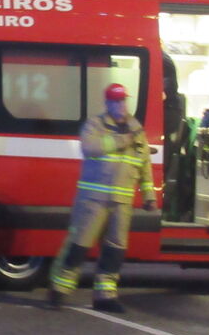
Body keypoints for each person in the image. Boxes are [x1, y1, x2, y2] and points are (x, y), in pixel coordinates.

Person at [48, 83, 156, 314]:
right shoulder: (95, 125)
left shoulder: (137, 130)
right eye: (116, 101)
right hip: (93, 200)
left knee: (114, 251)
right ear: (107, 103)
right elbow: (90, 147)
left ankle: (105, 296)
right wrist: (122, 141)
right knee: (78, 247)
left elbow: (145, 165)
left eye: (123, 100)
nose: (121, 105)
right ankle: (59, 289)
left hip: (122, 202)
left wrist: (149, 195)